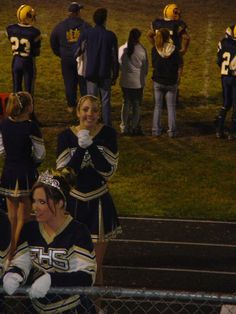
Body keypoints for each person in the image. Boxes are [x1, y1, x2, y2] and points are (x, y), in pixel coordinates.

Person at [2, 169, 97, 313]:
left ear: (60, 203)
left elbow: (87, 276)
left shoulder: (78, 232)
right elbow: (22, 261)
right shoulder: (30, 229)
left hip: (71, 308)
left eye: (42, 202)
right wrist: (15, 274)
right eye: (34, 201)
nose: (35, 207)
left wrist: (52, 280)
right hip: (34, 308)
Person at [56, 95, 121, 286]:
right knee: (71, 264)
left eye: (94, 110)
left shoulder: (108, 134)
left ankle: (96, 308)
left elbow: (108, 172)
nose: (89, 114)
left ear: (99, 113)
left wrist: (90, 146)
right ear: (78, 112)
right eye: (85, 109)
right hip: (73, 204)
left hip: (99, 204)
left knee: (94, 266)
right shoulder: (66, 137)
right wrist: (80, 148)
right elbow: (65, 177)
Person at [0, 92, 45, 257]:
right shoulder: (31, 126)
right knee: (24, 218)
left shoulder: (4, 124)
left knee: (11, 216)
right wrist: (32, 162)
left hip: (9, 172)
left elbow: (1, 150)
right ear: (28, 108)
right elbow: (40, 154)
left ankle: (7, 253)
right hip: (26, 172)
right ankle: (15, 253)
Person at [76, 8, 119, 126]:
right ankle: (106, 125)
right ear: (105, 20)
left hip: (90, 72)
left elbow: (78, 51)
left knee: (91, 101)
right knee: (105, 101)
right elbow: (114, 57)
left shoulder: (86, 33)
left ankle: (91, 124)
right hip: (105, 73)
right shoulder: (111, 36)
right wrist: (115, 74)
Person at [50, 2, 91, 114]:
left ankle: (71, 105)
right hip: (81, 59)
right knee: (83, 83)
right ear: (77, 12)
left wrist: (61, 54)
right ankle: (84, 106)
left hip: (66, 59)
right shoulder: (85, 26)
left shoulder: (60, 26)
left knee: (69, 83)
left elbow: (53, 41)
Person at [147, 3, 190, 104]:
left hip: (160, 54)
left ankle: (160, 99)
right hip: (173, 55)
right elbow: (186, 38)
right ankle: (173, 98)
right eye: (176, 12)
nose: (178, 14)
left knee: (159, 74)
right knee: (175, 76)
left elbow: (149, 35)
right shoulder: (177, 25)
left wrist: (156, 46)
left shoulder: (157, 23)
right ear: (172, 13)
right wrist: (183, 50)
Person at [6, 4, 42, 124]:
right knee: (28, 91)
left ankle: (14, 113)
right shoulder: (35, 32)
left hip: (15, 61)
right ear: (28, 16)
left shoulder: (10, 29)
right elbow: (36, 52)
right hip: (27, 63)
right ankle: (30, 116)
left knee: (16, 89)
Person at [119, 28, 149, 135]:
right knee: (136, 104)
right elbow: (145, 68)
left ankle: (124, 127)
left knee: (126, 103)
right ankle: (135, 126)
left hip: (125, 81)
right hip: (138, 83)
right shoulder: (142, 50)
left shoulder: (122, 48)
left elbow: (120, 65)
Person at [151, 28, 180, 138]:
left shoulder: (154, 49)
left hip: (158, 81)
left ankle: (155, 130)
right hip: (171, 82)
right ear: (168, 37)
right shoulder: (174, 49)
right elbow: (177, 65)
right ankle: (172, 131)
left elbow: (154, 64)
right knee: (171, 107)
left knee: (157, 106)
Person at [215, 24, 236, 140]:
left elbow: (219, 60)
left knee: (226, 104)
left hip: (224, 77)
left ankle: (219, 129)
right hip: (234, 78)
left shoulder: (223, 42)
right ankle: (232, 132)